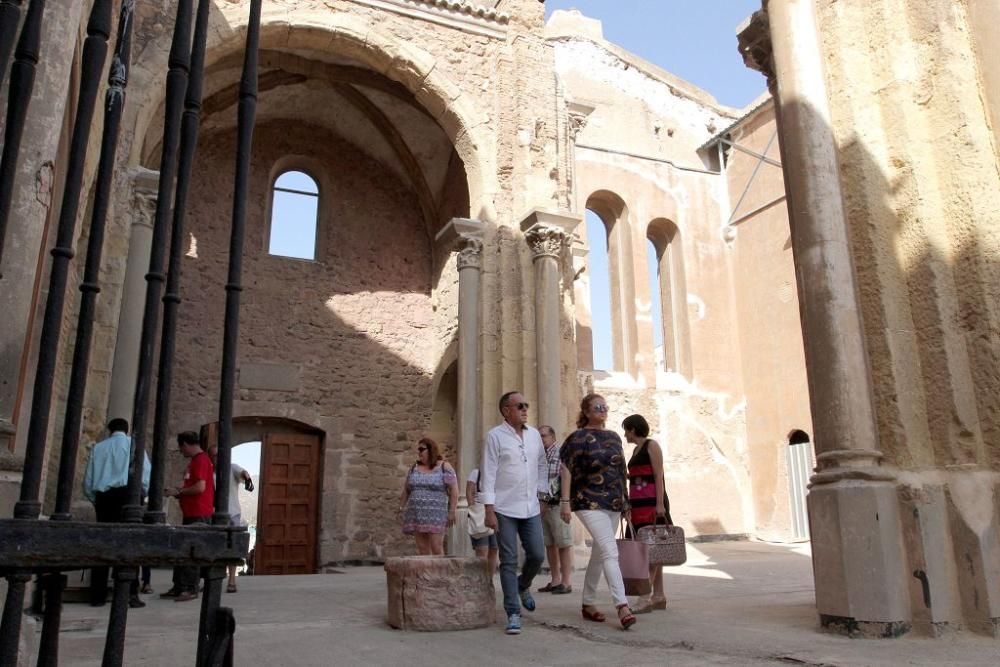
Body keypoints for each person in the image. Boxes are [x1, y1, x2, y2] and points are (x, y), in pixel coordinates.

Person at [559, 394, 636, 630]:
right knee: (610, 552)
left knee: (600, 554)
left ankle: (588, 603)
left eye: (605, 407)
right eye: (597, 407)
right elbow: (566, 469)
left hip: (613, 502)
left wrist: (626, 503)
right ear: (586, 411)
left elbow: (621, 470)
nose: (603, 410)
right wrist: (564, 501)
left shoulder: (613, 437)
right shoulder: (577, 438)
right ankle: (622, 605)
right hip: (588, 501)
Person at [481, 391, 548, 636]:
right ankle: (513, 612)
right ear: (506, 410)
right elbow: (488, 473)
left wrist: (542, 494)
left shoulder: (533, 437)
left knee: (537, 555)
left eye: (526, 405)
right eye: (520, 405)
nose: (525, 409)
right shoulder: (495, 436)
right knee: (508, 561)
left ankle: (523, 585)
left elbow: (542, 464)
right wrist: (489, 509)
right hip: (504, 508)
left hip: (530, 507)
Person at [82, 418, 151, 609]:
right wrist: (141, 497)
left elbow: (88, 481)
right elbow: (146, 475)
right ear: (127, 430)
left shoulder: (99, 448)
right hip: (129, 496)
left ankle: (97, 595)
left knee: (102, 544)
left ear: (109, 429)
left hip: (105, 498)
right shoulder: (134, 446)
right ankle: (130, 593)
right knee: (130, 543)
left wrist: (96, 500)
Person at [623, 414, 672, 613]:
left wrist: (660, 504)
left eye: (626, 429)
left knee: (651, 550)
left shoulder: (652, 446)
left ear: (633, 429)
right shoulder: (635, 450)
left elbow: (658, 475)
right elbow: (636, 476)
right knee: (652, 548)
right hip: (637, 503)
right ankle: (658, 596)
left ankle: (645, 597)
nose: (625, 434)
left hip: (652, 503)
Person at [161, 431, 215, 602]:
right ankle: (179, 586)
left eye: (181, 447)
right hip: (192, 512)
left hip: (199, 512)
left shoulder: (200, 460)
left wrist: (179, 491)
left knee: (193, 551)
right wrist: (178, 492)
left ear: (185, 444)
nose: (181, 451)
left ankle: (190, 588)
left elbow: (200, 487)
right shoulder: (196, 461)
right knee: (184, 549)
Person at [399, 437, 458, 555]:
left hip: (436, 515)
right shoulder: (414, 468)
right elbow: (407, 489)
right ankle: (426, 573)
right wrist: (401, 508)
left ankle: (440, 573)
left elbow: (454, 490)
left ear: (431, 450)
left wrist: (452, 511)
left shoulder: (444, 467)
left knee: (437, 547)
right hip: (416, 514)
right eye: (418, 450)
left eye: (422, 449)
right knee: (422, 549)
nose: (419, 452)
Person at [208, 445, 254, 593]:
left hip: (232, 514)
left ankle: (232, 580)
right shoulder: (209, 473)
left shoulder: (231, 468)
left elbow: (242, 473)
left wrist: (247, 478)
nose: (217, 458)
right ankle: (211, 579)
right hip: (214, 515)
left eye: (219, 455)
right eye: (214, 455)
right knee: (214, 548)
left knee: (232, 548)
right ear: (210, 457)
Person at [537, 425, 573, 595]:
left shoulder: (560, 452)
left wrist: (566, 502)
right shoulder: (539, 455)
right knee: (550, 543)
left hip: (557, 503)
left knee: (563, 543)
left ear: (552, 436)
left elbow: (566, 475)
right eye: (538, 436)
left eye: (543, 436)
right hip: (542, 504)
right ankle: (555, 579)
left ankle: (566, 582)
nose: (541, 439)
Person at [465, 467, 498, 577]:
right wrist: (472, 508)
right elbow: (469, 491)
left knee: (494, 548)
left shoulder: (500, 471)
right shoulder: (476, 472)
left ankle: (490, 580)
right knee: (482, 549)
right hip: (480, 513)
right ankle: (481, 580)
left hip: (497, 511)